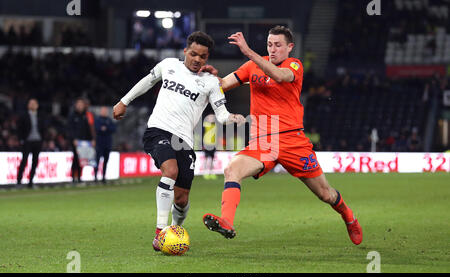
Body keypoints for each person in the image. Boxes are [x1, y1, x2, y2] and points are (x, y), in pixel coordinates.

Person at [201, 26, 362, 245]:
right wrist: (209, 79)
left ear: (289, 47)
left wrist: (249, 52)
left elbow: (278, 75)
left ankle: (348, 216)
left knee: (325, 194)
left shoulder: (294, 65)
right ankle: (227, 222)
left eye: (278, 45)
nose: (273, 49)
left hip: (292, 141)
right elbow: (222, 86)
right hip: (263, 143)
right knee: (232, 169)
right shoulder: (252, 66)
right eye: (270, 45)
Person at [112, 31, 246, 252]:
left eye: (202, 57)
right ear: (185, 51)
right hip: (158, 130)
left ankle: (175, 230)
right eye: (193, 54)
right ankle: (160, 233)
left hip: (184, 141)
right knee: (170, 171)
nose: (197, 59)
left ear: (207, 58)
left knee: (181, 199)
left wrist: (232, 118)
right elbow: (147, 81)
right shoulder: (169, 65)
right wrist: (123, 101)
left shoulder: (211, 82)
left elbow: (221, 113)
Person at [16, 98, 45, 188]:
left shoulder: (40, 116)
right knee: (24, 161)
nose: (32, 105)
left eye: (34, 103)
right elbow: (19, 128)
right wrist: (21, 139)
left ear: (37, 105)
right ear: (28, 105)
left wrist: (42, 139)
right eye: (30, 103)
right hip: (27, 141)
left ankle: (31, 182)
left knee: (35, 162)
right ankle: (19, 181)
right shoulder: (24, 116)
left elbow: (43, 128)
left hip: (37, 141)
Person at [67, 98, 96, 183]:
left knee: (81, 160)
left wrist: (92, 139)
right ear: (76, 105)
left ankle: (79, 178)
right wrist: (73, 139)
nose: (80, 106)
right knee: (75, 159)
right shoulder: (72, 116)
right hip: (75, 142)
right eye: (78, 104)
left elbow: (88, 129)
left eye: (81, 104)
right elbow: (69, 129)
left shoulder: (86, 116)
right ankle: (73, 178)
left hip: (84, 142)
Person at [94, 106, 116, 183]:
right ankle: (95, 177)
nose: (104, 112)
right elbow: (97, 128)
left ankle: (103, 177)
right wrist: (104, 129)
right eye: (103, 111)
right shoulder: (97, 120)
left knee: (106, 161)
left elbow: (113, 129)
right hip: (99, 143)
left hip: (107, 143)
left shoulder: (109, 120)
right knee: (97, 160)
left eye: (105, 111)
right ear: (100, 112)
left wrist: (105, 128)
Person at [202, 113, 217, 180]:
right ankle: (205, 172)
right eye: (211, 117)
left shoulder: (215, 126)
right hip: (206, 144)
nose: (212, 118)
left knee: (212, 158)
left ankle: (211, 172)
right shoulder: (205, 125)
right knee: (206, 158)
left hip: (213, 144)